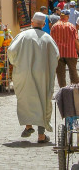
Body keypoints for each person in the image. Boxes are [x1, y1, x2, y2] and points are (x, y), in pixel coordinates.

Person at [7, 12, 59, 143]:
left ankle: (28, 126)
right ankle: (41, 135)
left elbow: (11, 51)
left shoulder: (22, 35)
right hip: (43, 74)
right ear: (43, 24)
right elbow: (56, 55)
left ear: (32, 22)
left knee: (25, 98)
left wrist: (16, 62)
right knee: (43, 99)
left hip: (23, 72)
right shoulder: (47, 38)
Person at [51, 10, 79, 88]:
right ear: (67, 16)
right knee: (73, 72)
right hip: (71, 53)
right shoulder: (71, 26)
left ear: (60, 16)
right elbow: (76, 41)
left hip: (58, 54)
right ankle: (75, 91)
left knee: (60, 74)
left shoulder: (54, 27)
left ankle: (63, 91)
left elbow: (51, 41)